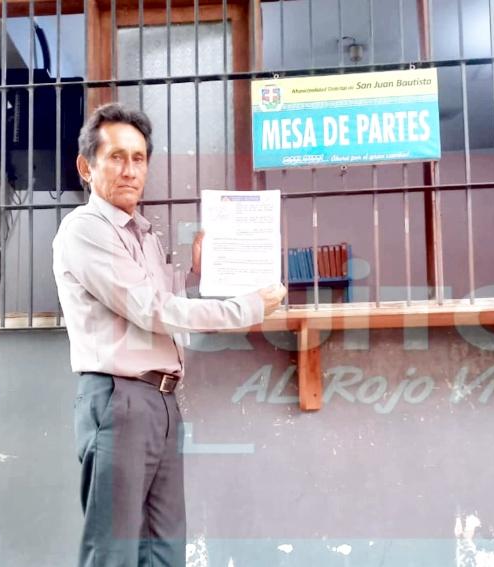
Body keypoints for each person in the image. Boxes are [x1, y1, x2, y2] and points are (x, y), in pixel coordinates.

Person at [52, 102, 286, 567]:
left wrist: (197, 272)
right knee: (114, 550)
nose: (130, 170)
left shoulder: (142, 234)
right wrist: (248, 307)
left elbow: (161, 299)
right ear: (86, 166)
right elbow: (153, 310)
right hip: (119, 398)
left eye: (138, 158)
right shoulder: (85, 230)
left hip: (160, 399)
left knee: (164, 548)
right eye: (116, 157)